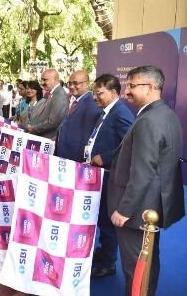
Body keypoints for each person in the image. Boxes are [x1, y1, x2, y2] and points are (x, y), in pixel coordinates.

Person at [107, 65, 184, 295]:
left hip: (139, 209)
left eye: (132, 85)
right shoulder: (166, 114)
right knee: (147, 261)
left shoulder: (149, 120)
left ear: (150, 87)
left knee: (136, 267)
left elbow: (143, 170)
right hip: (152, 204)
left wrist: (125, 209)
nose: (126, 91)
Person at [85, 74, 135, 278]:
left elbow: (129, 146)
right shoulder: (106, 111)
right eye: (94, 93)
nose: (95, 97)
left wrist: (104, 157)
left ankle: (107, 263)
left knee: (106, 222)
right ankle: (103, 255)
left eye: (100, 93)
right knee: (100, 219)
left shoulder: (121, 113)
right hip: (98, 174)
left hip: (109, 175)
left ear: (114, 93)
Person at [55, 70, 102, 162]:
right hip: (64, 155)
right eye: (70, 83)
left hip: (76, 159)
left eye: (76, 83)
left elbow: (87, 137)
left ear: (87, 84)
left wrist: (82, 161)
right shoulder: (76, 101)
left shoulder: (91, 103)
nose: (72, 86)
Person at [26, 69, 68, 140]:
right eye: (41, 80)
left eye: (45, 80)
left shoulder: (59, 95)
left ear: (55, 79)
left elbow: (53, 122)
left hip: (48, 139)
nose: (42, 83)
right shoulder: (54, 93)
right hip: (43, 136)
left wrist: (34, 128)